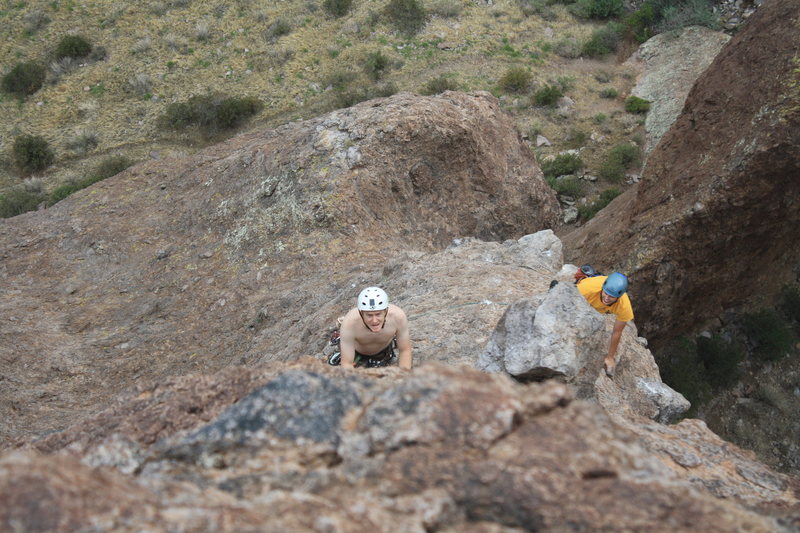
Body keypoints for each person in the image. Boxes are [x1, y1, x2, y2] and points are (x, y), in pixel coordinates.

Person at [335, 287, 412, 370]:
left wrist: (404, 377)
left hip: (385, 351)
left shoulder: (397, 317)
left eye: (378, 314)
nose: (374, 321)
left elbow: (405, 350)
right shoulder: (350, 323)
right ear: (361, 313)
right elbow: (347, 363)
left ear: (385, 311)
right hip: (356, 353)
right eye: (369, 315)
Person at [576, 272, 633, 378]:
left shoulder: (624, 306)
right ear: (603, 288)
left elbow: (617, 332)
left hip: (596, 307)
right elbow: (569, 299)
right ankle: (589, 273)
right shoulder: (587, 288)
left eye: (611, 296)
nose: (607, 298)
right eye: (605, 293)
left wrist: (610, 357)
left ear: (619, 297)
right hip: (583, 297)